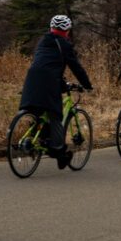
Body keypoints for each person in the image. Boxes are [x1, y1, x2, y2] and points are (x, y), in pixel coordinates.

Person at [18, 14, 94, 169]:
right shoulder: (64, 45)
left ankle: (36, 140)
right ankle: (57, 149)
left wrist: (61, 82)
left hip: (32, 80)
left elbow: (48, 64)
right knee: (55, 115)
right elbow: (76, 67)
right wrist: (87, 85)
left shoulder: (43, 41)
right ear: (67, 30)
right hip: (48, 82)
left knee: (38, 112)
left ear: (51, 28)